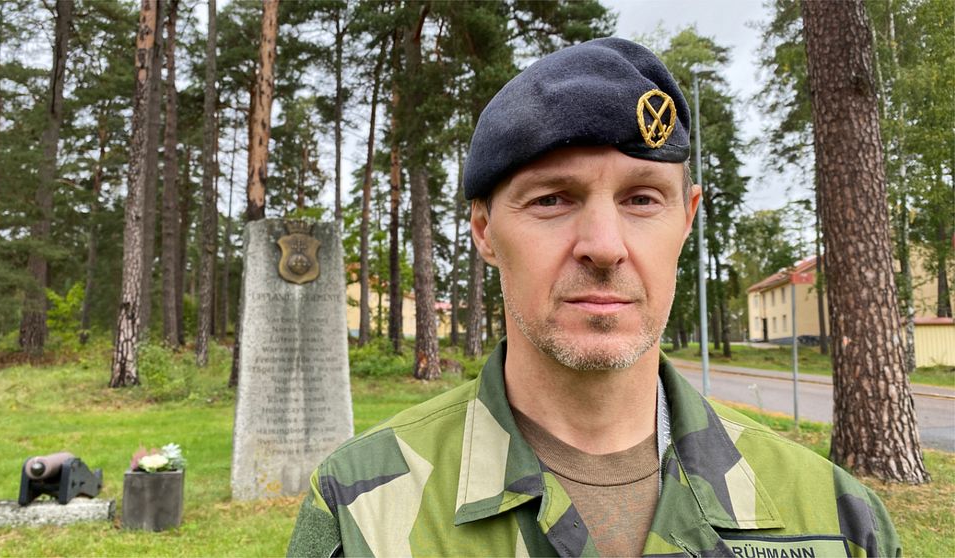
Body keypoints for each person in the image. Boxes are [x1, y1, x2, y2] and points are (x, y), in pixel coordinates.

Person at [288, 37, 898, 557]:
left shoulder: (841, 523)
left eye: (642, 199)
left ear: (686, 221)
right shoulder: (361, 508)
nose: (604, 247)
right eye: (552, 199)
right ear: (484, 231)